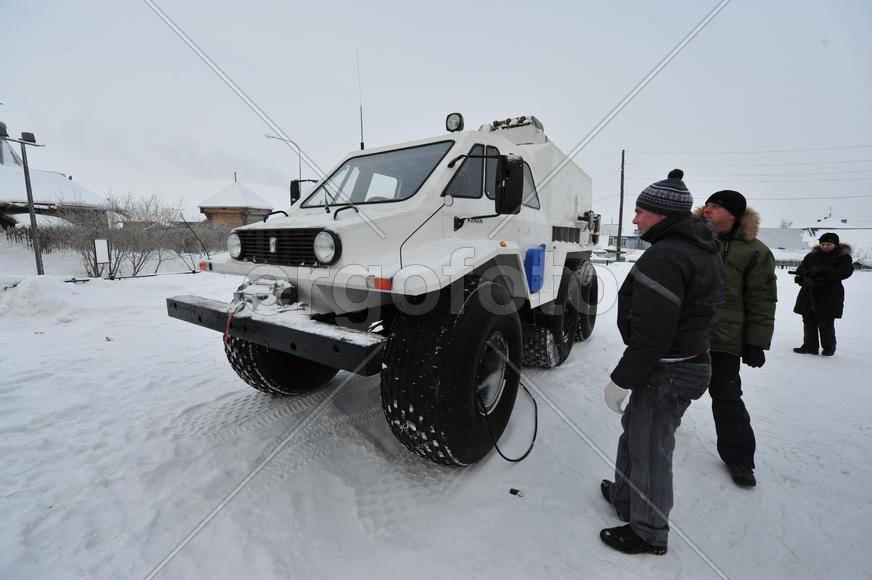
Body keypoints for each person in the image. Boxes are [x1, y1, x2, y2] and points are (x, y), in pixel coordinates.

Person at [600, 169, 724, 555]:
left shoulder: (667, 255)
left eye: (640, 211)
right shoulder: (696, 246)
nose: (634, 219)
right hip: (678, 361)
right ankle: (624, 496)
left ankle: (649, 530)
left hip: (669, 367)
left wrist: (621, 379)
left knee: (651, 448)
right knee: (635, 432)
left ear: (661, 214)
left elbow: (654, 333)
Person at [700, 190, 777, 488]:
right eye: (707, 204)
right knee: (668, 387)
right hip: (686, 332)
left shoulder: (755, 252)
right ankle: (657, 435)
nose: (708, 209)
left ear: (733, 215)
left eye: (716, 206)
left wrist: (755, 341)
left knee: (726, 395)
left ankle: (739, 458)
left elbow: (762, 299)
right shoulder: (692, 241)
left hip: (725, 338)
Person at [792, 232, 853, 356]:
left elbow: (845, 272)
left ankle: (829, 348)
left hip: (829, 294)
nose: (825, 246)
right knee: (808, 319)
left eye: (828, 244)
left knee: (825, 321)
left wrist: (823, 271)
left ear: (835, 244)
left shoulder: (843, 257)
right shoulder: (812, 255)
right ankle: (810, 346)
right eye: (822, 244)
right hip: (809, 292)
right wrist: (802, 275)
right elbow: (802, 268)